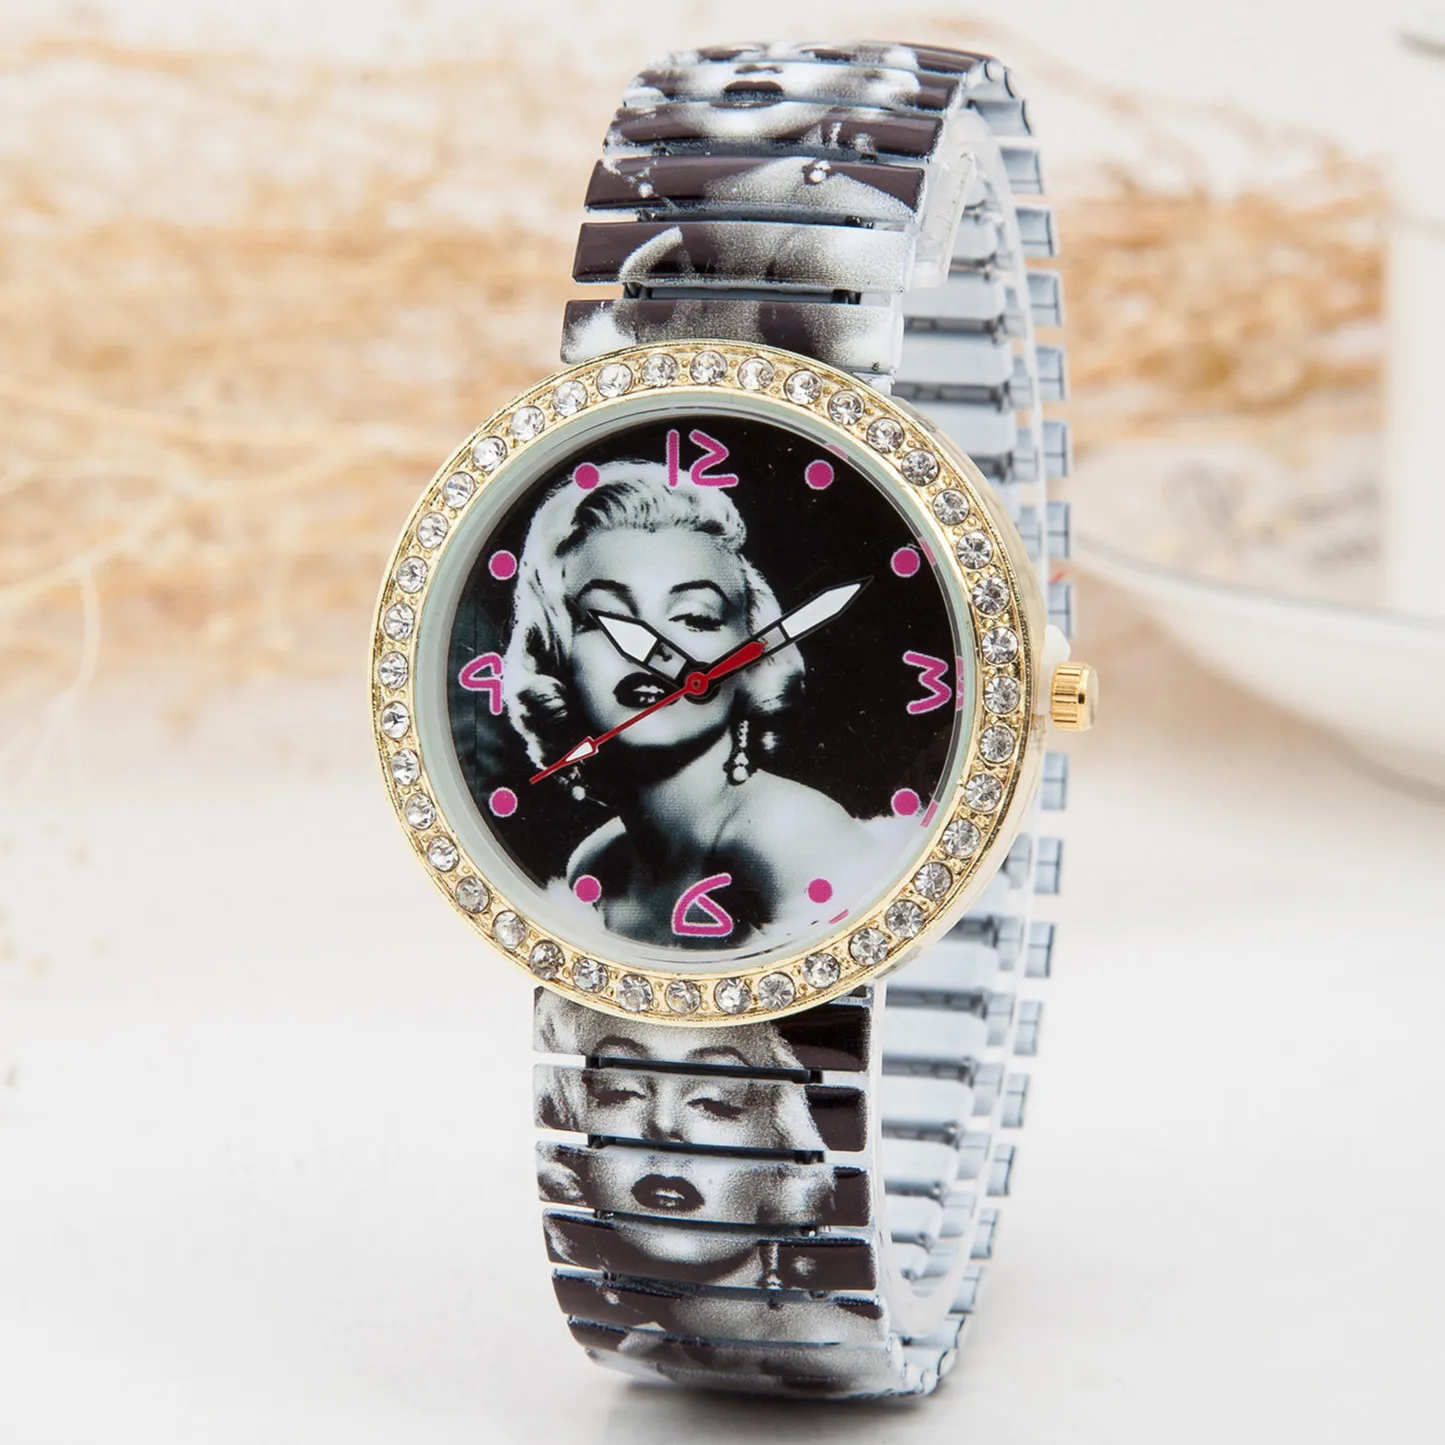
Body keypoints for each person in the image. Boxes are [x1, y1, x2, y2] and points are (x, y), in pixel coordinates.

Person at [502, 459, 888, 949]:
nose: (656, 651)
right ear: (556, 654)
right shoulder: (598, 861)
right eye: (605, 619)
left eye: (695, 617)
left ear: (753, 655)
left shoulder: (789, 834)